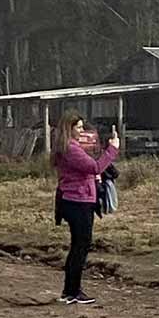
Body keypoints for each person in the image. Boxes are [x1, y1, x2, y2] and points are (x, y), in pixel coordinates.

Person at [52, 110, 119, 305]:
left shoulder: (68, 147)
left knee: (78, 246)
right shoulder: (71, 149)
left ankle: (70, 290)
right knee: (80, 246)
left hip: (75, 199)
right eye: (79, 127)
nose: (82, 131)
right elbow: (95, 167)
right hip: (78, 201)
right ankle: (73, 291)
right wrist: (112, 150)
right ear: (69, 128)